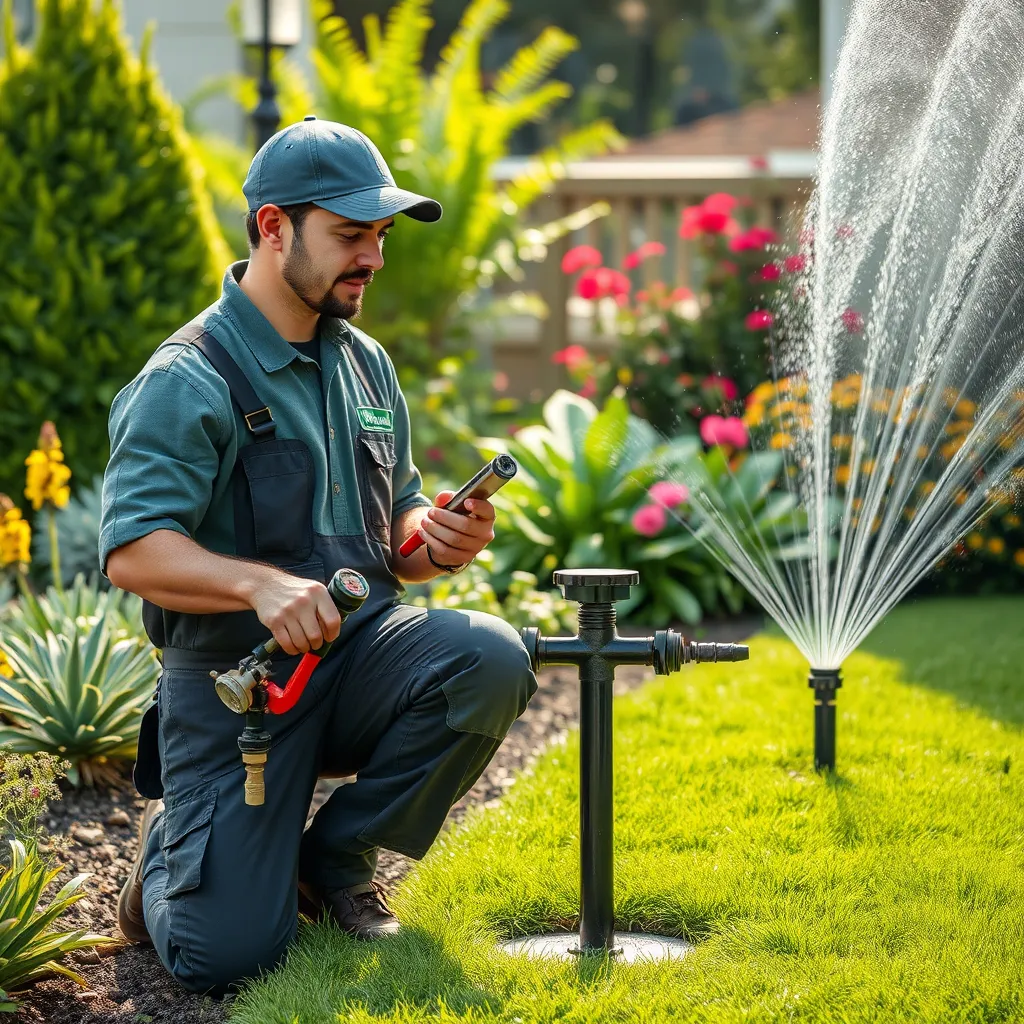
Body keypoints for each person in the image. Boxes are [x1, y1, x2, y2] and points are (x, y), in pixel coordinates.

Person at [99, 118, 538, 995]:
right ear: (272, 227)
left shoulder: (366, 366)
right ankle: (166, 858)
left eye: (377, 236)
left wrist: (432, 539)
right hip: (242, 689)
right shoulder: (188, 378)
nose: (372, 257)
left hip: (362, 662)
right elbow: (134, 552)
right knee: (225, 961)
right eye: (349, 235)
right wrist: (258, 586)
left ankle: (332, 860)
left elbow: (396, 524)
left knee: (490, 657)